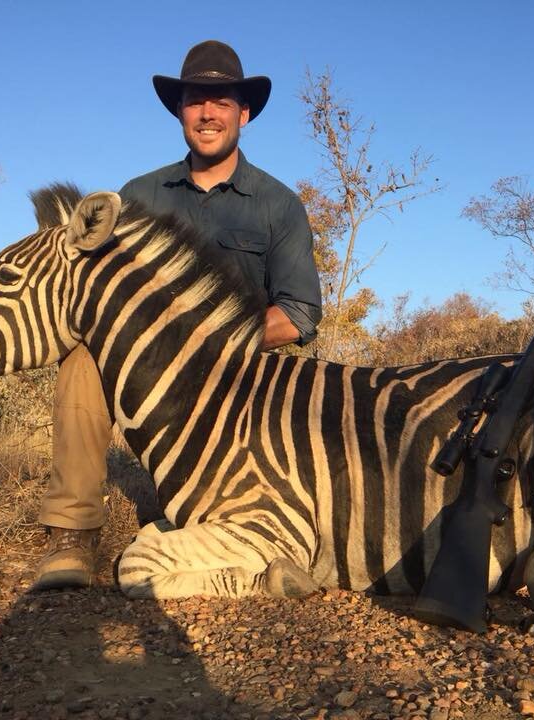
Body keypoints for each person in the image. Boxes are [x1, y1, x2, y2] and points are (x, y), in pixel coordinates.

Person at [33, 40, 323, 590]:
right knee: (81, 358)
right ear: (180, 111)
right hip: (149, 374)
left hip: (242, 376)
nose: (207, 113)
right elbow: (97, 291)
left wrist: (208, 342)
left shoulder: (278, 202)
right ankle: (72, 533)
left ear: (245, 112)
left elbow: (300, 313)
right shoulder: (137, 196)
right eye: (195, 100)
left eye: (221, 100)